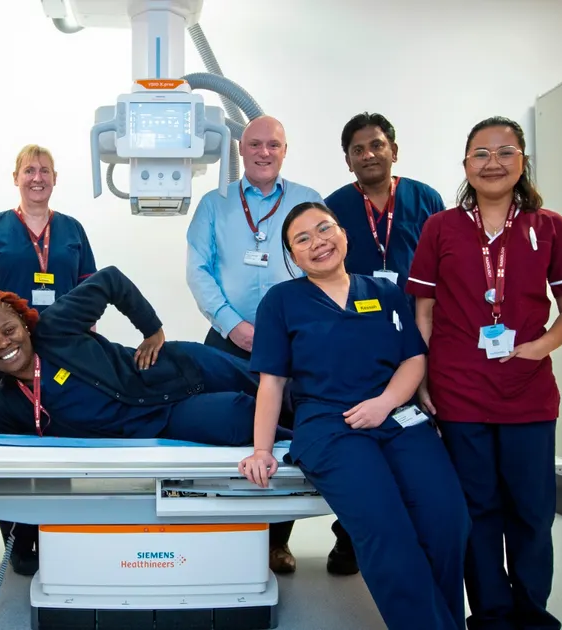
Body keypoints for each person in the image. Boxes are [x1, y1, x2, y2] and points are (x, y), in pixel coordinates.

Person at [239, 201, 470, 630]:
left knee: (448, 520)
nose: (317, 243)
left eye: (324, 229)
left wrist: (385, 403)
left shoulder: (384, 292)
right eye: (302, 240)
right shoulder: (282, 301)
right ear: (293, 257)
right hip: (331, 427)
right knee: (385, 528)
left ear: (343, 234)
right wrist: (261, 449)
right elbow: (272, 381)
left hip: (398, 417)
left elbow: (413, 360)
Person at [406, 116, 562, 630]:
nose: (493, 163)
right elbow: (424, 313)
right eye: (480, 154)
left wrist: (537, 348)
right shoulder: (440, 227)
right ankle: (490, 617)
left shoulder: (549, 226)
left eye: (505, 152)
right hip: (459, 392)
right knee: (477, 512)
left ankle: (533, 616)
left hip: (528, 393)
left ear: (522, 161)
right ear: (465, 165)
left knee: (531, 514)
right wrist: (421, 380)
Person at [0, 265, 289, 446]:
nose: (4, 344)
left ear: (24, 323)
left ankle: (333, 411)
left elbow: (111, 280)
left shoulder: (55, 328)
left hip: (181, 365)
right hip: (165, 416)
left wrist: (152, 329)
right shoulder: (6, 403)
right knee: (241, 415)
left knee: (279, 389)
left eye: (8, 330)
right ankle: (322, 435)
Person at [185, 115, 322, 573]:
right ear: (241, 150)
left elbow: (321, 266)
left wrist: (294, 327)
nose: (264, 152)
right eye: (256, 144)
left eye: (274, 145)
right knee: (222, 433)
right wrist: (232, 324)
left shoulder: (307, 201)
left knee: (283, 438)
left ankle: (276, 541)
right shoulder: (214, 204)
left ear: (286, 150)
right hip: (227, 339)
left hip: (293, 344)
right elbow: (198, 270)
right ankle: (221, 533)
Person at [0, 143, 98, 573]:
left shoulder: (72, 230)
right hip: (6, 356)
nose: (37, 178)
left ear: (55, 179)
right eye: (28, 170)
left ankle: (56, 537)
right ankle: (18, 544)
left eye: (45, 171)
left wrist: (91, 354)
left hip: (61, 358)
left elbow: (90, 298)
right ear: (15, 177)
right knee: (10, 453)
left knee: (60, 449)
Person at [318, 112, 446, 575]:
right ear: (348, 160)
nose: (368, 154)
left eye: (376, 145)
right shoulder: (333, 207)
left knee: (414, 432)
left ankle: (417, 533)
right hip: (356, 339)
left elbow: (443, 268)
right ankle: (350, 536)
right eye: (358, 149)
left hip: (418, 331)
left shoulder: (424, 198)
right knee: (359, 436)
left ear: (394, 149)